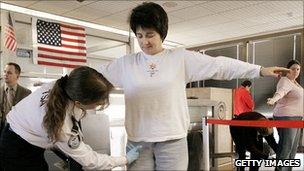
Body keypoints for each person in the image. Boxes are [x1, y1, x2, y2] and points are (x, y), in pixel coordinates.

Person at [100, 2, 290, 170]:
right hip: (137, 142)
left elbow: (219, 66)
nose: (144, 41)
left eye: (150, 34)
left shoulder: (180, 58)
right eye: (139, 35)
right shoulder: (125, 64)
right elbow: (91, 78)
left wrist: (259, 70)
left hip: (172, 140)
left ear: (162, 32)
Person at [0, 66, 141, 171]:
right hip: (16, 149)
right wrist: (125, 159)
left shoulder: (63, 85)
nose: (100, 105)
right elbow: (90, 161)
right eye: (97, 104)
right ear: (79, 103)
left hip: (18, 133)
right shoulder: (61, 125)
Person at [267, 59, 303, 171]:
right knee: (286, 148)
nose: (296, 71)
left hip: (297, 119)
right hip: (286, 117)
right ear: (287, 70)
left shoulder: (296, 83)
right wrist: (273, 100)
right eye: (293, 69)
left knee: (292, 149)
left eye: (298, 69)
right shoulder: (285, 81)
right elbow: (280, 92)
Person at [0, 62, 31, 135]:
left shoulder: (26, 93)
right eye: (5, 72)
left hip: (18, 134)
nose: (5, 74)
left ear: (17, 76)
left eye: (9, 73)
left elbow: (28, 116)